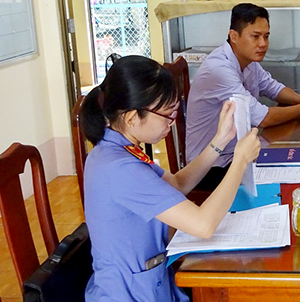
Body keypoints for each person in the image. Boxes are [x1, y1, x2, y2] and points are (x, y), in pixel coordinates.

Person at [80, 55, 261, 302]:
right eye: (166, 114)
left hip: (147, 285)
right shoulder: (120, 169)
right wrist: (240, 160)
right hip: (131, 295)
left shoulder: (116, 148)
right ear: (132, 117)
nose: (172, 123)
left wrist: (220, 140)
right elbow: (203, 225)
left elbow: (176, 184)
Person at [186, 3, 300, 187]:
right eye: (255, 36)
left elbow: (273, 88)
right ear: (234, 36)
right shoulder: (219, 69)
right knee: (293, 183)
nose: (263, 44)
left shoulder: (248, 61)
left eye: (266, 36)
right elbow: (263, 119)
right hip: (210, 167)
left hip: (239, 154)